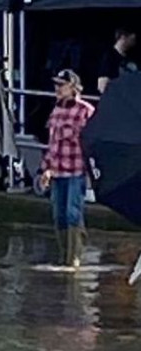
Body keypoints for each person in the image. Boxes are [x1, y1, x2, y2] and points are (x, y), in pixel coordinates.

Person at [40, 69, 95, 268]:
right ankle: (64, 256)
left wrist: (91, 170)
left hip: (76, 169)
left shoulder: (85, 110)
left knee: (73, 212)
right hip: (57, 170)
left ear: (73, 87)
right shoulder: (56, 110)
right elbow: (52, 143)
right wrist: (46, 168)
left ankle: (74, 258)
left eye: (61, 85)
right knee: (59, 215)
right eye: (56, 85)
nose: (57, 89)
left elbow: (91, 143)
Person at [97, 28, 137, 94]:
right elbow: (102, 85)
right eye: (132, 39)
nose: (134, 42)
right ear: (123, 37)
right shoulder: (109, 56)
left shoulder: (130, 59)